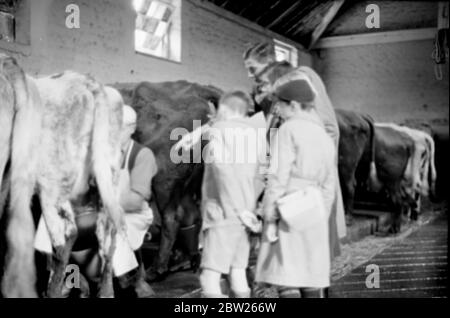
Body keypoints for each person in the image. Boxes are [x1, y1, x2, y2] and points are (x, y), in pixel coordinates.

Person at [34, 105, 158, 298]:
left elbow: (135, 201)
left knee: (113, 226)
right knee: (49, 223)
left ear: (132, 128)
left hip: (131, 211)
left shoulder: (141, 154)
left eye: (120, 126)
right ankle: (64, 280)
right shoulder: (94, 151)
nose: (114, 131)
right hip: (93, 208)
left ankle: (133, 280)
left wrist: (104, 200)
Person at [243, 42, 346, 261]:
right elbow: (270, 143)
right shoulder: (273, 100)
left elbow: (330, 128)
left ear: (270, 65)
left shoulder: (303, 77)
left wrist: (313, 174)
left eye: (253, 69)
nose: (251, 77)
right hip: (287, 188)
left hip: (308, 185)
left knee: (313, 257)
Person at [255, 72, 336, 298]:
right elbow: (330, 184)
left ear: (294, 105)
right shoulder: (324, 135)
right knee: (310, 276)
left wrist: (269, 212)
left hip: (288, 207)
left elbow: (278, 177)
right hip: (315, 209)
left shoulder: (288, 130)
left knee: (287, 277)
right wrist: (321, 212)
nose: (277, 109)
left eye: (280, 104)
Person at [199, 91, 265, 298]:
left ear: (224, 109)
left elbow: (221, 168)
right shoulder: (257, 136)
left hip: (222, 211)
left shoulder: (219, 131)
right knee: (237, 272)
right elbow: (261, 176)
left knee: (209, 275)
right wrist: (247, 209)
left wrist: (232, 208)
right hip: (246, 215)